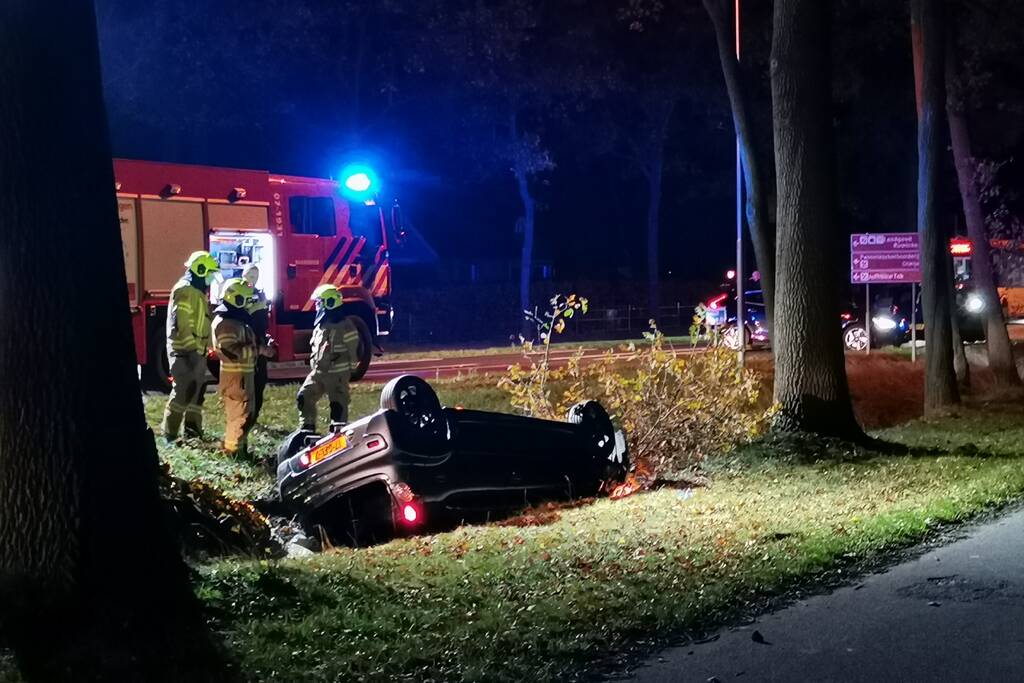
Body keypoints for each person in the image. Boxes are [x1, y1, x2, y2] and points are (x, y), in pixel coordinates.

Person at [161, 250, 219, 442]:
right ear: (200, 270)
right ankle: (169, 435)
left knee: (197, 392)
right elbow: (182, 323)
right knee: (182, 391)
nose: (211, 278)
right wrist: (192, 350)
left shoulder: (196, 290)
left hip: (197, 351)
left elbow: (203, 321)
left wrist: (209, 347)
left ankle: (193, 431)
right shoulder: (184, 290)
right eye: (210, 273)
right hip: (183, 352)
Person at [296, 284, 360, 431]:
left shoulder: (345, 326)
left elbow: (353, 351)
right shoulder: (320, 326)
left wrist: (350, 370)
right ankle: (307, 430)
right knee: (303, 397)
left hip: (337, 374)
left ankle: (337, 436)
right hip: (318, 372)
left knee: (338, 406)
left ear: (329, 303)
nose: (317, 306)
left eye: (319, 303)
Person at [212, 278, 258, 457]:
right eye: (245, 301)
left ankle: (239, 450)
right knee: (239, 418)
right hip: (236, 380)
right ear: (236, 299)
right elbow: (233, 351)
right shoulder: (226, 324)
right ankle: (234, 453)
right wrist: (260, 349)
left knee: (244, 416)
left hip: (241, 378)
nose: (247, 305)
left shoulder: (232, 321)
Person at [242, 264, 274, 422]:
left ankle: (253, 417)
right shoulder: (237, 293)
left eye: (255, 275)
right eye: (251, 275)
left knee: (260, 381)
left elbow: (264, 320)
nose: (253, 279)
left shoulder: (260, 293)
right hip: (246, 341)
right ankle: (246, 417)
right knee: (247, 384)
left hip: (259, 340)